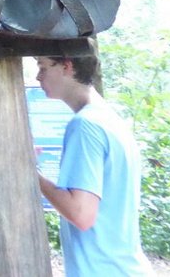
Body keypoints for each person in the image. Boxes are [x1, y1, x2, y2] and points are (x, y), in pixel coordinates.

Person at [34, 49, 153, 276]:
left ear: (67, 66)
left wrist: (31, 172)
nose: (38, 77)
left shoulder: (85, 125)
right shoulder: (110, 120)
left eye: (43, 67)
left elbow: (81, 214)